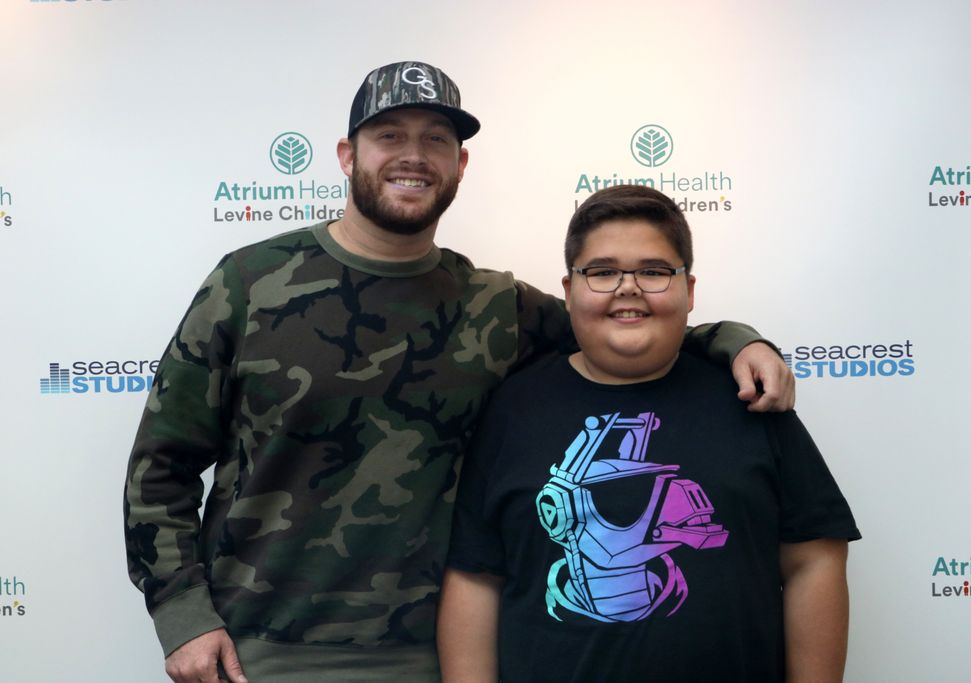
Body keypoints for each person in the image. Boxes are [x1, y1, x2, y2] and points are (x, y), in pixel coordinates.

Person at [124, 62, 795, 683]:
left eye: (435, 139)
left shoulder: (493, 304)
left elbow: (624, 324)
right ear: (347, 155)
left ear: (460, 164)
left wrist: (735, 341)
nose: (413, 155)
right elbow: (162, 464)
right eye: (390, 135)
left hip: (437, 658)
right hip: (261, 655)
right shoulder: (250, 283)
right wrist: (183, 616)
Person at [438, 185, 859, 683]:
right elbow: (475, 578)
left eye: (654, 271)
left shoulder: (750, 398)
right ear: (569, 291)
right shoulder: (511, 409)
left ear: (690, 290)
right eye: (602, 271)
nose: (628, 287)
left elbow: (815, 561)